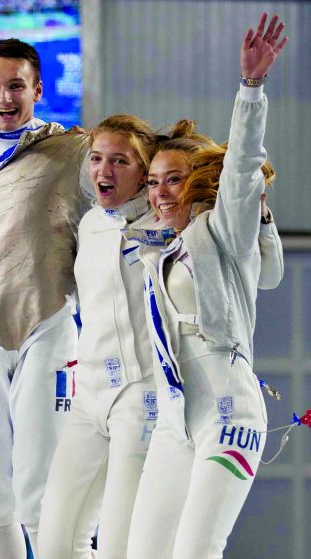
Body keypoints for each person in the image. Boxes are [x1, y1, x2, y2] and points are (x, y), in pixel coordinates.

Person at [38, 114, 283, 558]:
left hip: (150, 398)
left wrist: (258, 214)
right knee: (53, 542)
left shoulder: (184, 225)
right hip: (93, 396)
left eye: (120, 160)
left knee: (125, 547)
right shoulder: (91, 224)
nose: (104, 171)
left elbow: (263, 270)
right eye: (96, 158)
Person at [127, 14, 288, 558]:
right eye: (153, 181)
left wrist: (251, 88)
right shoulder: (158, 250)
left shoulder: (223, 233)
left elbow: (242, 167)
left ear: (197, 181)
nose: (161, 191)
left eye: (174, 178)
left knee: (194, 552)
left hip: (229, 413)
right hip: (177, 420)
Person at [0, 38, 91, 558]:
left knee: (39, 489)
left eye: (16, 86)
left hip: (49, 324)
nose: (5, 97)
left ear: (38, 88)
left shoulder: (74, 149)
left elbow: (136, 167)